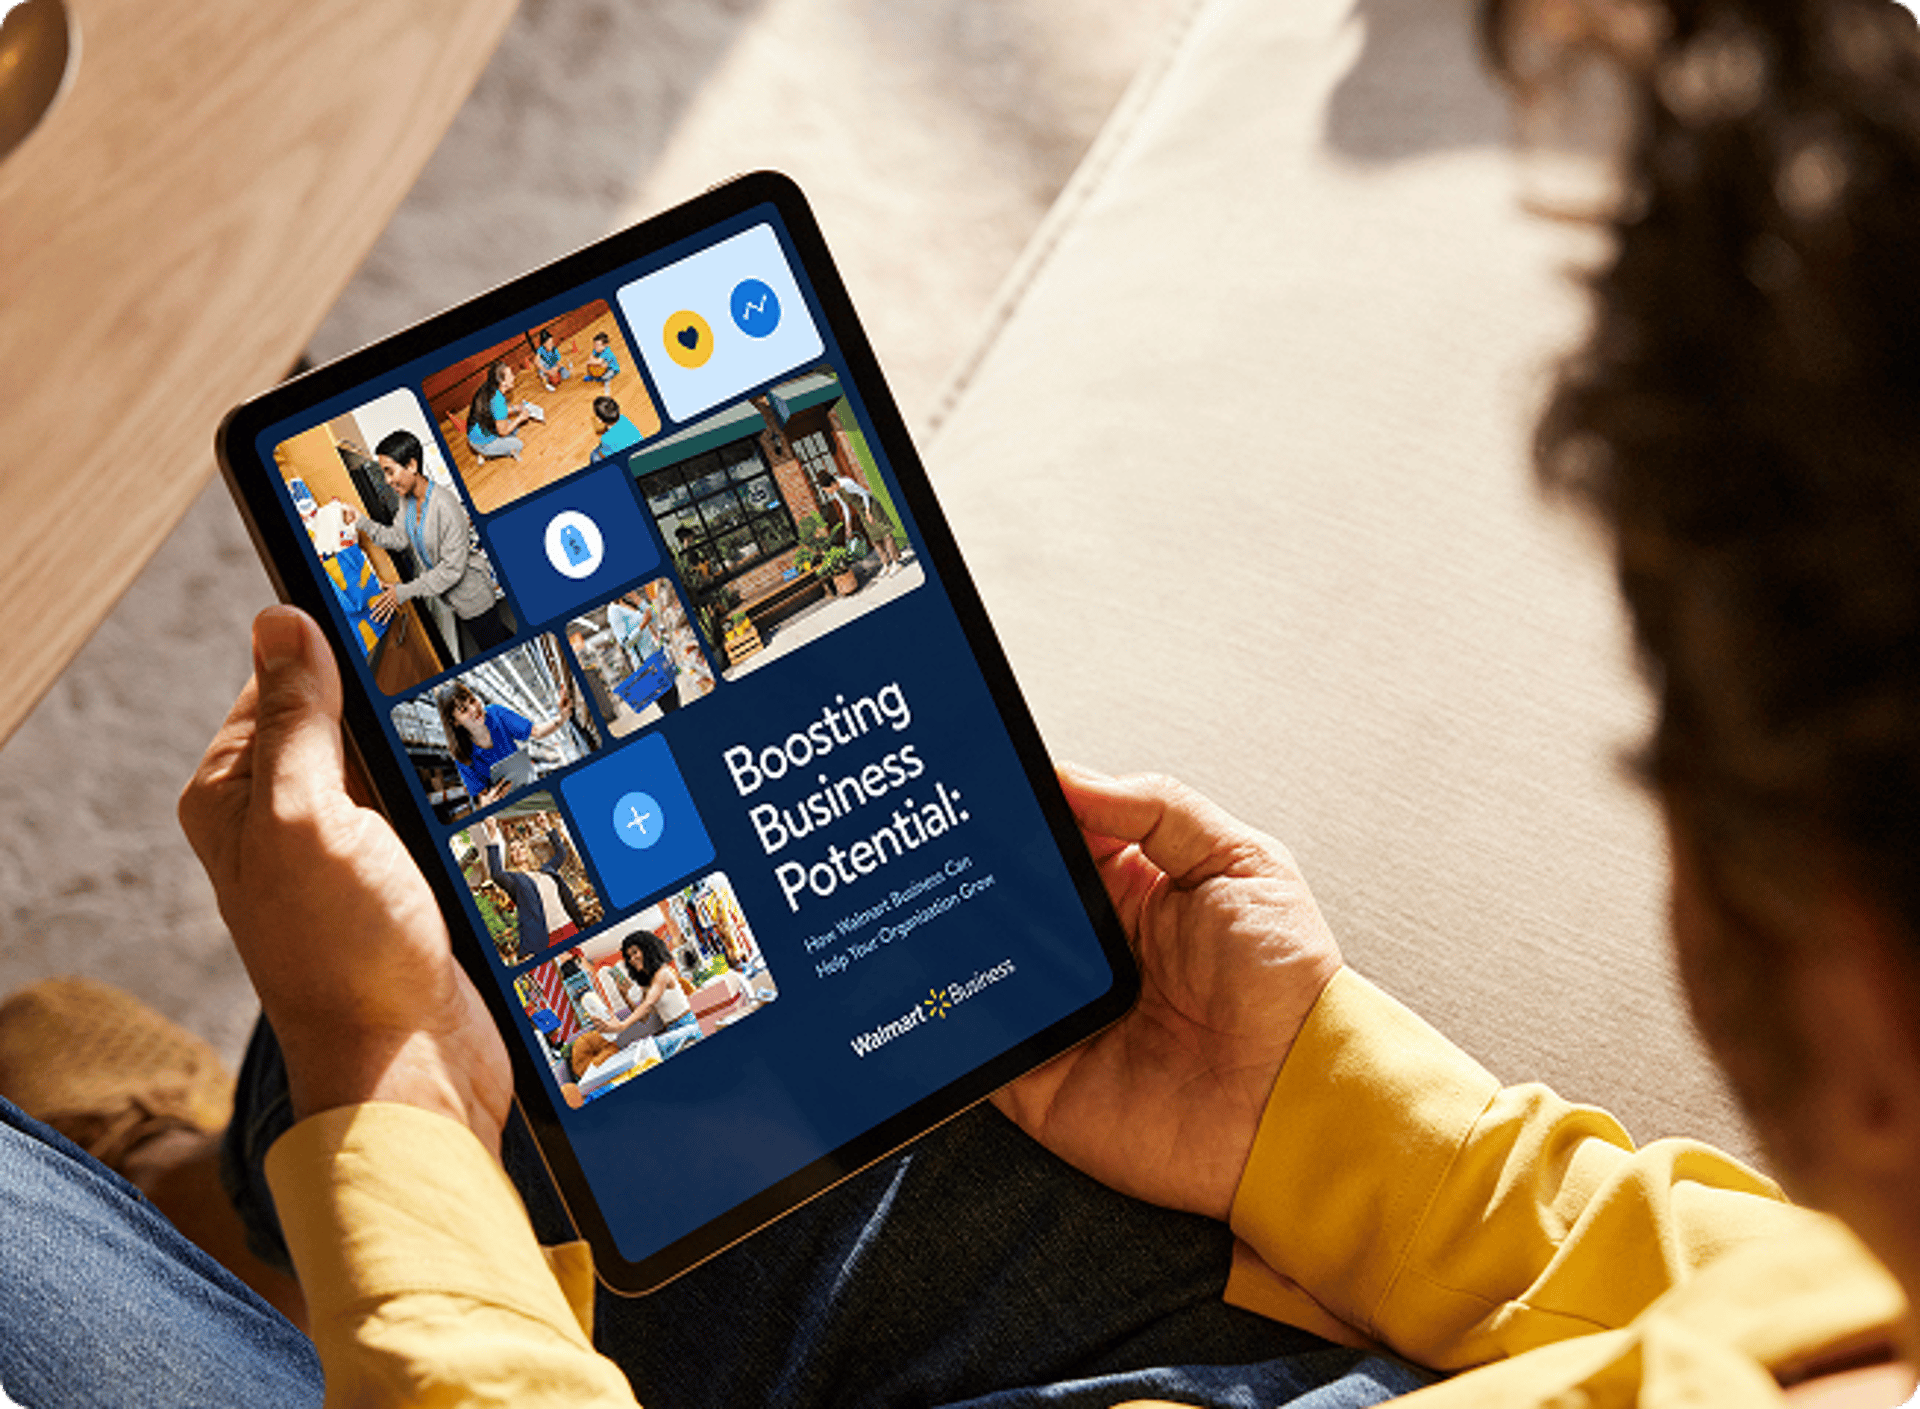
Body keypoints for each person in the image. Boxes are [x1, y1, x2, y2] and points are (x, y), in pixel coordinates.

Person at [343, 428, 514, 656]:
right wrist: (361, 522)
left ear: (412, 465)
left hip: (474, 597)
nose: (387, 480)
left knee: (493, 645)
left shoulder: (445, 505)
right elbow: (399, 538)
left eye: (389, 471)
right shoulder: (407, 501)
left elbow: (451, 569)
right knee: (495, 636)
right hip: (453, 598)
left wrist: (403, 592)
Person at [437, 677, 574, 807]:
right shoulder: (461, 753)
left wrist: (561, 717)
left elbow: (536, 732)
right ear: (455, 722)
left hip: (528, 782)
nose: (474, 709)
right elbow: (481, 796)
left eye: (472, 700)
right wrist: (489, 801)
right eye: (464, 710)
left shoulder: (496, 714)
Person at [466, 815, 586, 959]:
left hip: (568, 926)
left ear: (526, 850)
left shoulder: (545, 870)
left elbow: (561, 853)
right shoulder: (513, 881)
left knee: (583, 963)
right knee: (568, 971)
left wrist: (546, 827)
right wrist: (492, 833)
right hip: (548, 937)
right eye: (513, 849)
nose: (518, 851)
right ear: (510, 856)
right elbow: (496, 874)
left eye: (521, 846)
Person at [585, 931, 702, 1061]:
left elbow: (648, 1004)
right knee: (645, 1049)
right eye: (629, 956)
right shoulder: (648, 984)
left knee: (650, 1048)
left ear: (647, 950)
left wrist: (622, 1026)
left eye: (635, 952)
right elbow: (644, 1017)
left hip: (689, 1026)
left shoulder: (663, 973)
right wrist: (624, 995)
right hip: (672, 1029)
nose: (632, 959)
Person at [813, 463, 902, 576]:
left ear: (832, 484)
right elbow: (845, 508)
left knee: (885, 534)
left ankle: (896, 562)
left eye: (826, 490)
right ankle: (886, 564)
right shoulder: (836, 492)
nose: (827, 492)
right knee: (874, 538)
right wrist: (848, 526)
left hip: (871, 506)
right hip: (862, 511)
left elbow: (864, 494)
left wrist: (868, 511)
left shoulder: (847, 483)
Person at [466, 359, 537, 460]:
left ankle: (496, 446)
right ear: (503, 383)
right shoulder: (498, 401)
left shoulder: (489, 387)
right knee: (518, 445)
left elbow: (496, 411)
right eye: (510, 375)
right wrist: (520, 418)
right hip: (481, 443)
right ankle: (485, 453)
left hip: (477, 430)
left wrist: (517, 408)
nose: (514, 376)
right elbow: (503, 431)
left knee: (511, 426)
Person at [589, 395, 644, 462]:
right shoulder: (623, 418)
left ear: (599, 420)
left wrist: (602, 451)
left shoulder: (606, 439)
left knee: (594, 456)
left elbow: (603, 455)